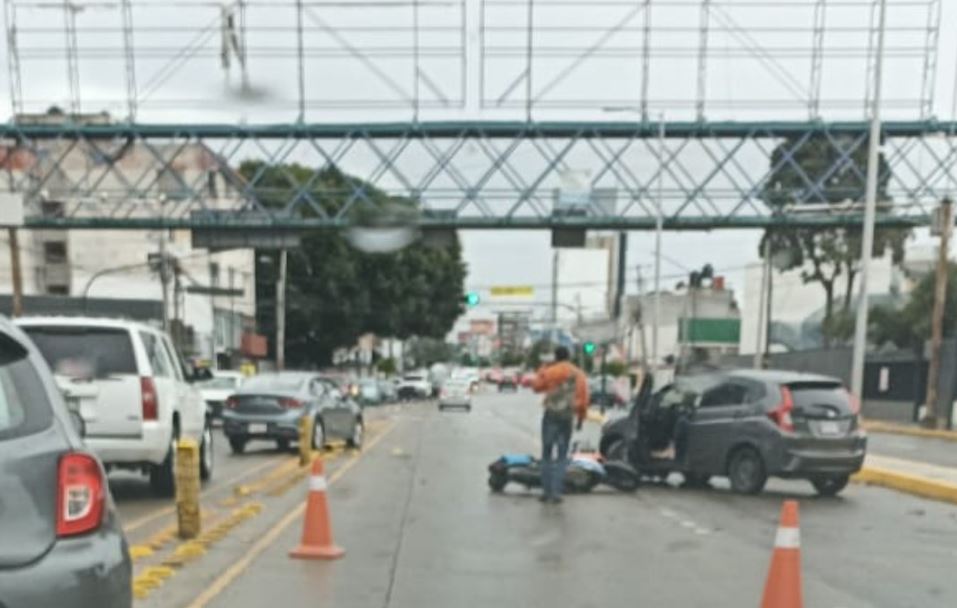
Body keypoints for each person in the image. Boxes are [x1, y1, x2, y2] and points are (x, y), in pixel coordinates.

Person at [531, 346, 589, 503]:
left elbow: (536, 387)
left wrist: (543, 368)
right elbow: (583, 399)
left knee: (547, 454)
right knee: (562, 456)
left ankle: (546, 492)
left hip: (551, 415)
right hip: (567, 416)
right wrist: (580, 419)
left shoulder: (550, 371)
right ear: (569, 357)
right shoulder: (578, 374)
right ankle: (557, 492)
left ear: (555, 357)